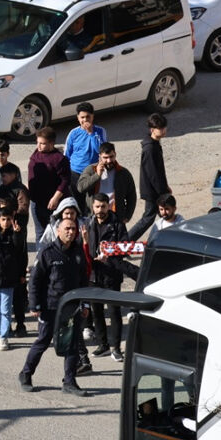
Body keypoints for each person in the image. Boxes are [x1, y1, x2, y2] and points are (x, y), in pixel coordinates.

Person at [20, 216, 90, 397]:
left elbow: (83, 280)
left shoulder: (78, 252)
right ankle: (26, 374)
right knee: (43, 341)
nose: (71, 232)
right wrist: (34, 305)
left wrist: (85, 303)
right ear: (58, 231)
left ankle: (69, 382)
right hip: (50, 307)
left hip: (71, 307)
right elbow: (35, 281)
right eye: (67, 228)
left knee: (72, 344)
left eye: (73, 229)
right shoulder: (47, 252)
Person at [87, 193, 139, 362]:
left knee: (114, 312)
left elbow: (125, 249)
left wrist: (109, 256)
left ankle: (116, 348)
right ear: (92, 207)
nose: (100, 210)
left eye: (103, 206)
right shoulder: (88, 223)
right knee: (97, 312)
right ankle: (103, 345)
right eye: (97, 207)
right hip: (94, 275)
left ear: (108, 206)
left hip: (111, 275)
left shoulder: (117, 224)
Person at [0, 201, 27, 351]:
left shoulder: (16, 233)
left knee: (5, 310)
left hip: (8, 279)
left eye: (9, 219)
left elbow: (20, 253)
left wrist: (17, 234)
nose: (6, 222)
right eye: (3, 219)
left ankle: (4, 336)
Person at [128, 113, 170, 240]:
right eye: (160, 128)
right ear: (152, 130)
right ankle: (126, 241)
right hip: (153, 190)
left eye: (164, 127)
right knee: (149, 218)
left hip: (156, 189)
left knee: (166, 215)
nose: (163, 130)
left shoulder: (154, 144)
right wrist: (163, 191)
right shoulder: (150, 148)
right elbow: (153, 174)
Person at [27, 126, 72, 244]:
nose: (38, 146)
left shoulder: (59, 159)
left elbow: (65, 181)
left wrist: (55, 198)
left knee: (55, 233)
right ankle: (40, 255)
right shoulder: (37, 153)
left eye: (42, 143)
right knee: (40, 233)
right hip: (36, 202)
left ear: (51, 143)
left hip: (52, 203)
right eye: (37, 142)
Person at [75, 141, 136, 219]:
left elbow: (131, 196)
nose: (109, 160)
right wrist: (97, 175)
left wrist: (127, 216)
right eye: (105, 157)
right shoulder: (91, 170)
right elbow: (81, 188)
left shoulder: (123, 173)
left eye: (111, 156)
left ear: (115, 154)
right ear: (100, 157)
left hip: (115, 217)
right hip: (94, 217)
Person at [64, 102, 107, 192]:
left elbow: (102, 151)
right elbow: (67, 154)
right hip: (75, 172)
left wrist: (91, 132)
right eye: (82, 117)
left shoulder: (100, 131)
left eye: (88, 117)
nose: (85, 120)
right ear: (78, 118)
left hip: (93, 173)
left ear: (92, 116)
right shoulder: (73, 133)